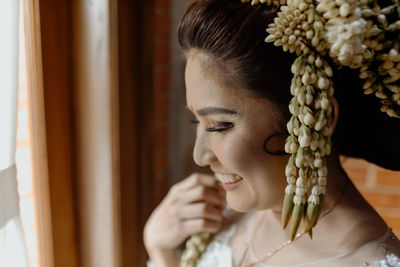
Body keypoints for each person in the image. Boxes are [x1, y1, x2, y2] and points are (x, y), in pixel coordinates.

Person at [143, 0, 400, 266]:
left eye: (220, 125)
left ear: (317, 117)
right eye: (196, 121)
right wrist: (160, 249)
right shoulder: (230, 210)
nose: (200, 156)